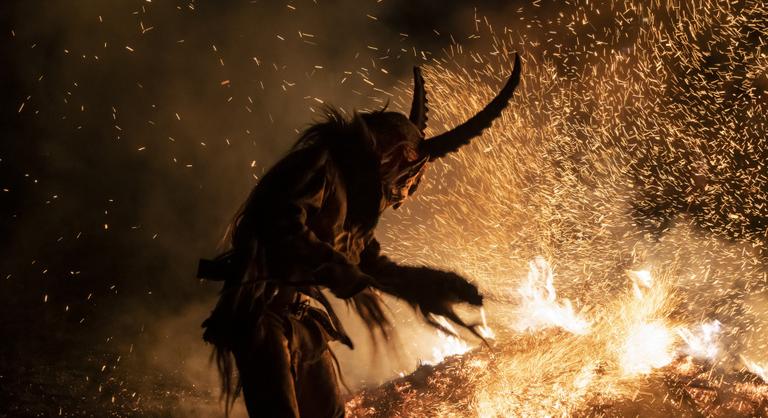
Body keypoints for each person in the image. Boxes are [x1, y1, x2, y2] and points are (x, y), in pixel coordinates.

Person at [198, 54, 522, 418]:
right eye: (408, 180)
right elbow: (281, 221)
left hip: (304, 322)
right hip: (263, 318)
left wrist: (431, 284)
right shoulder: (320, 165)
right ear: (399, 157)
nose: (402, 196)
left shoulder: (351, 206)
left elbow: (372, 267)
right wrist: (335, 267)